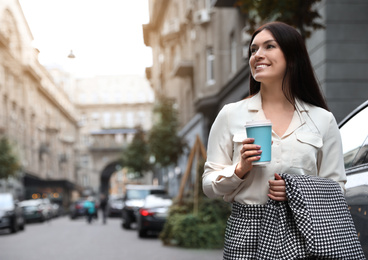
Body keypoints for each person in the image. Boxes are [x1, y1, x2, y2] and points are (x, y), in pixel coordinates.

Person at [202, 21, 347, 259]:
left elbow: (337, 189)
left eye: (269, 46)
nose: (258, 55)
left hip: (302, 231)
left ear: (292, 56)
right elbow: (208, 186)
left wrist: (297, 190)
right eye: (253, 49)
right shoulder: (230, 115)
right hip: (246, 232)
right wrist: (240, 169)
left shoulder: (323, 119)